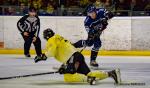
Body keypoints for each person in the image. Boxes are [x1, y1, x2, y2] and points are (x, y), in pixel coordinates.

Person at [34, 28, 121, 85]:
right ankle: (111, 73)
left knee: (68, 76)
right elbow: (64, 51)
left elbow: (52, 51)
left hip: (73, 57)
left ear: (46, 37)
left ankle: (89, 79)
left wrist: (43, 56)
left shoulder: (51, 40)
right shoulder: (58, 38)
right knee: (88, 73)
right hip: (77, 56)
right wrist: (64, 66)